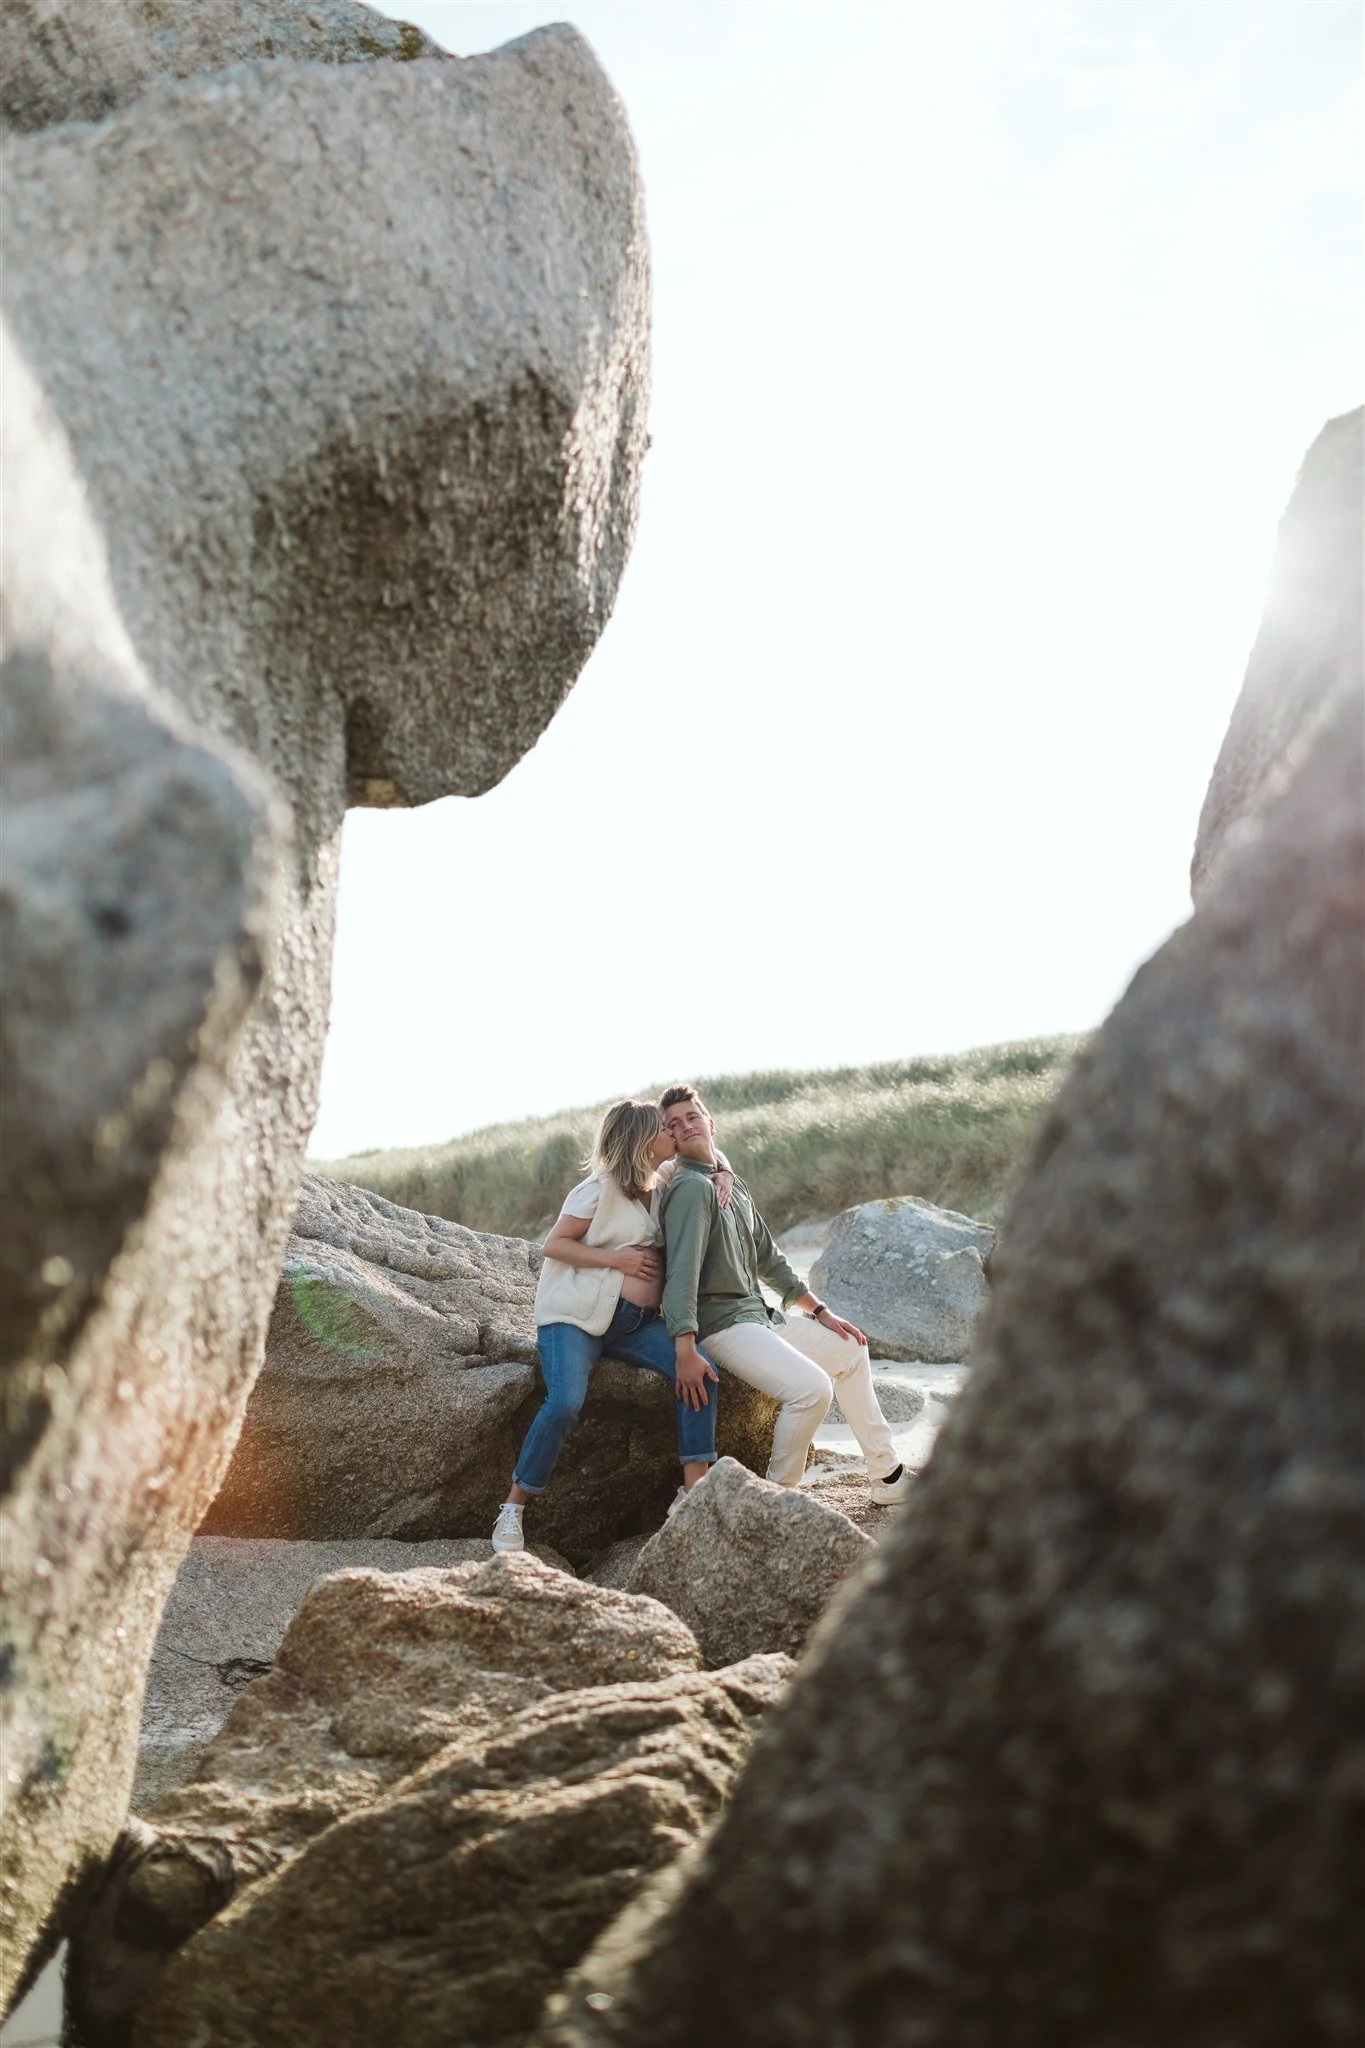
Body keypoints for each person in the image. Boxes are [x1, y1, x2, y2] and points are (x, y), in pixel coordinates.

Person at [657, 1083, 911, 1504]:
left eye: (692, 1117)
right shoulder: (690, 1189)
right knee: (812, 1390)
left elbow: (768, 1258)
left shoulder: (730, 1184)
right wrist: (685, 1349)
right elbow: (680, 1275)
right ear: (668, 1137)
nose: (685, 1127)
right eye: (673, 1124)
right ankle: (776, 1500)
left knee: (850, 1350)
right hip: (721, 1327)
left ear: (710, 1122)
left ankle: (886, 1475)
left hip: (759, 1317)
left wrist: (819, 1311)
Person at [491, 1099, 725, 1553]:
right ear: (641, 1140)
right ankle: (513, 1509)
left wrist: (726, 1174)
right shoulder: (596, 1191)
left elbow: (711, 1150)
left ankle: (693, 1491)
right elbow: (554, 1245)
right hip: (574, 1320)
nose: (672, 1134)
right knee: (564, 1404)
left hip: (633, 1326)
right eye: (663, 1129)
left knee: (700, 1371)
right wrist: (616, 1259)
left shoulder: (663, 1182)